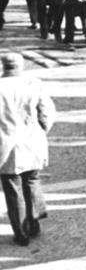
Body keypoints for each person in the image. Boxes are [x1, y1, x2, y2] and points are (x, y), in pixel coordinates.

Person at [0, 53, 56, 246]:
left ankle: (20, 232)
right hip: (32, 141)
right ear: (21, 66)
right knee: (32, 180)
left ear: (3, 66)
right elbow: (47, 112)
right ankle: (33, 221)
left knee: (12, 188)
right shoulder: (34, 84)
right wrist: (41, 131)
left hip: (5, 144)